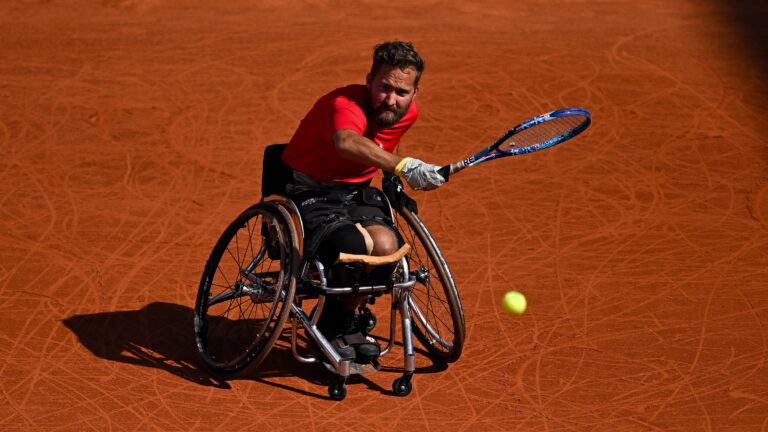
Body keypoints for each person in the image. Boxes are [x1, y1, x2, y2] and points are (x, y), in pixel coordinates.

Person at [279, 41, 445, 363]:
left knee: (386, 244)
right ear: (369, 80)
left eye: (402, 92)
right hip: (309, 190)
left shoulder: (406, 113)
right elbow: (347, 142)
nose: (391, 99)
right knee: (352, 244)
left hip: (357, 192)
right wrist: (403, 166)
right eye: (384, 88)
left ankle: (339, 320)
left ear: (415, 92)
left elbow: (385, 143)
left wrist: (393, 181)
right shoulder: (345, 104)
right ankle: (331, 327)